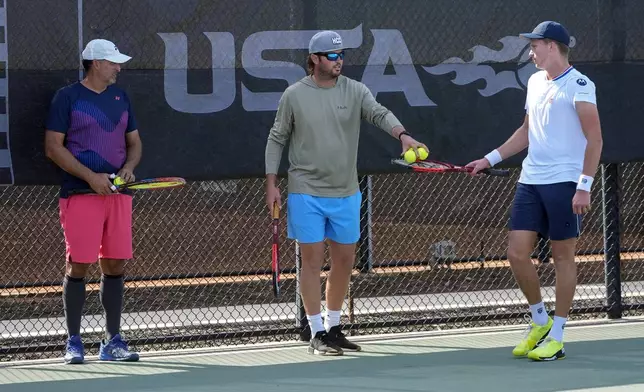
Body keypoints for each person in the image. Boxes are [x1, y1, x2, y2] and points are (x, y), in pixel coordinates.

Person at [265, 30, 427, 356]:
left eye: (342, 55)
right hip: (306, 192)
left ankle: (334, 327)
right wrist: (271, 183)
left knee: (343, 261)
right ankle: (315, 332)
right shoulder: (294, 95)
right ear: (314, 59)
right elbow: (277, 138)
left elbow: (379, 113)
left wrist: (403, 135)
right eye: (332, 56)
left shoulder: (355, 90)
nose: (339, 61)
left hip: (346, 193)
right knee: (311, 263)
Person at [466, 21, 603, 361]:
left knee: (562, 258)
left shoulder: (580, 85)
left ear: (553, 47)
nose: (530, 52)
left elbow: (595, 139)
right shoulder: (534, 81)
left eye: (535, 46)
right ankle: (539, 319)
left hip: (565, 183)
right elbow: (526, 131)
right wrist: (489, 158)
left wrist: (583, 186)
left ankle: (558, 335)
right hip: (530, 181)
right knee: (516, 253)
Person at [44, 39, 142, 364]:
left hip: (117, 196)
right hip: (80, 194)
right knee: (79, 265)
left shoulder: (121, 97)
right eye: (113, 62)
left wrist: (128, 168)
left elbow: (135, 143)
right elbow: (53, 148)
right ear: (96, 63)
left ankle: (112, 341)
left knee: (115, 264)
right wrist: (91, 177)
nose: (118, 68)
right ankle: (73, 341)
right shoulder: (67, 98)